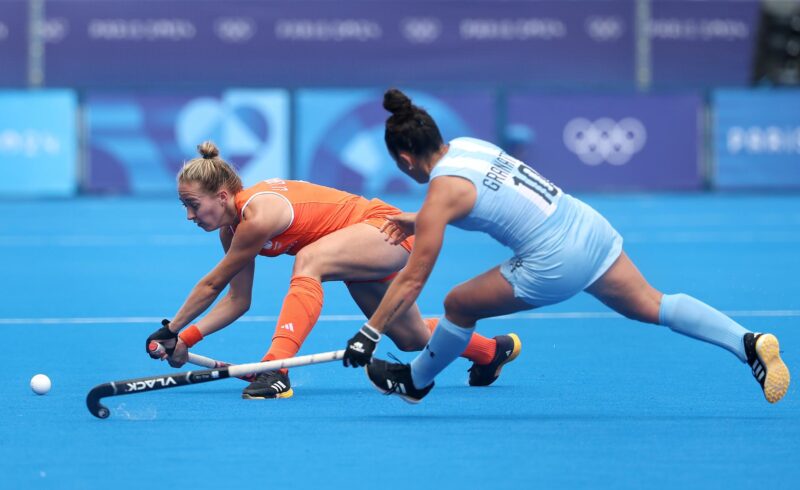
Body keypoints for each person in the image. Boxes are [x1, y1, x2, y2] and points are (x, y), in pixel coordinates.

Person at [341, 88, 791, 405]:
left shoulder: (440, 192)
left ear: (403, 159)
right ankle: (747, 343)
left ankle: (415, 382)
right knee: (653, 303)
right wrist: (419, 218)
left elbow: (414, 277)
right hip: (587, 228)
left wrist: (370, 332)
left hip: (553, 261)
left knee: (458, 303)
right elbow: (487, 198)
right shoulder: (467, 146)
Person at [145, 141, 521, 399]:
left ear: (222, 196)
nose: (190, 216)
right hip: (357, 252)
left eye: (193, 205)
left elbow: (212, 283)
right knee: (412, 338)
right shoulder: (232, 232)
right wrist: (186, 340)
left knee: (311, 259)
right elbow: (236, 300)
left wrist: (171, 329)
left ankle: (277, 369)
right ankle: (491, 352)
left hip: (384, 229)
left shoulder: (258, 213)